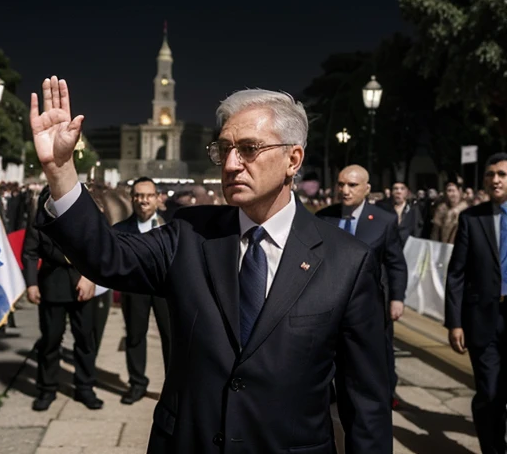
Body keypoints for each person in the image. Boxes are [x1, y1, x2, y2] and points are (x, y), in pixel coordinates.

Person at [30, 77, 391, 453]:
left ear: (293, 159)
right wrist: (61, 171)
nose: (232, 164)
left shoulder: (347, 262)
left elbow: (366, 403)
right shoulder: (189, 233)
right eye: (224, 149)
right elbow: (106, 259)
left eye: (249, 149)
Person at [317, 165, 407, 409]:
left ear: (367, 189)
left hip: (372, 306)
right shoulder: (324, 217)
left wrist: (397, 298)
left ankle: (383, 395)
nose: (345, 190)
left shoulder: (384, 220)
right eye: (341, 184)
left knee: (378, 356)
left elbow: (395, 262)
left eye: (352, 185)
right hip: (331, 303)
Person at [446, 152, 507, 454]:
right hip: (483, 321)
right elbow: (456, 274)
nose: (495, 180)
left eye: (502, 174)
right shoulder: (472, 218)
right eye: (490, 174)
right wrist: (455, 322)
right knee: (490, 392)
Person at [21, 187, 103, 411]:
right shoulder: (40, 221)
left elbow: (98, 249)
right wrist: (31, 284)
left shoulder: (85, 217)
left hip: (82, 284)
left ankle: (85, 387)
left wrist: (89, 277)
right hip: (52, 285)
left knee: (86, 339)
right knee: (50, 340)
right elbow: (29, 253)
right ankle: (47, 389)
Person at [115, 176, 171, 405]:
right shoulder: (120, 230)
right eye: (138, 195)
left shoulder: (170, 228)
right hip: (135, 290)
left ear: (157, 199)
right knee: (135, 336)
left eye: (148, 195)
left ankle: (172, 387)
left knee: (171, 337)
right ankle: (137, 384)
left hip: (165, 290)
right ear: (132, 199)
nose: (143, 200)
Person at [376, 181, 424, 246]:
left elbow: (417, 228)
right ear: (391, 192)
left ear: (407, 192)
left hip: (408, 246)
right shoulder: (383, 208)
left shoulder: (413, 209)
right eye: (395, 189)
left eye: (402, 189)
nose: (398, 192)